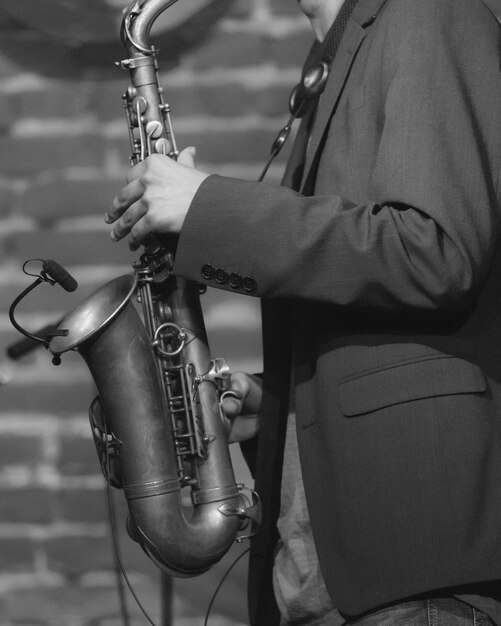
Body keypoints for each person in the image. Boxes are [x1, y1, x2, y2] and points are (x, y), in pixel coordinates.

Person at [105, 0, 501, 624]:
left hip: (414, 567)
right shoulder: (334, 58)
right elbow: (365, 300)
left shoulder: (430, 13)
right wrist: (276, 408)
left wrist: (207, 207)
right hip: (330, 581)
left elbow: (434, 250)